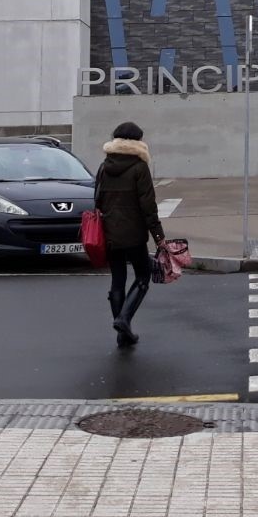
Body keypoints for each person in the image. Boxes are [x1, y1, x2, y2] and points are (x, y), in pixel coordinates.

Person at [94, 121, 165, 349]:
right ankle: (124, 319)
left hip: (110, 232)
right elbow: (148, 206)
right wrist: (159, 236)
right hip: (133, 234)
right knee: (143, 276)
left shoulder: (104, 167)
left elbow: (97, 200)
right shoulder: (139, 167)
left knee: (118, 280)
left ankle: (122, 335)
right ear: (136, 141)